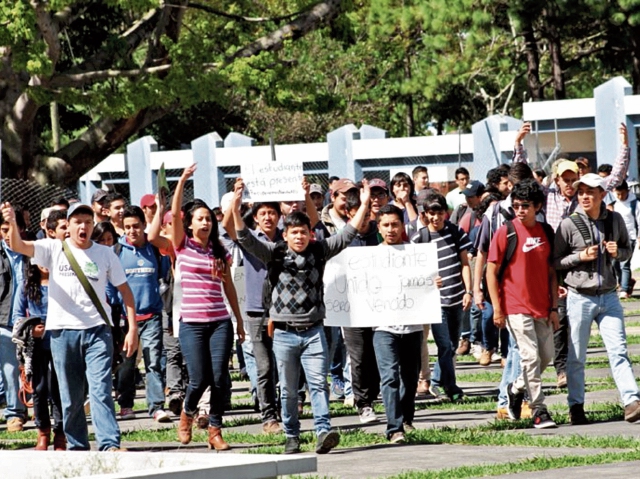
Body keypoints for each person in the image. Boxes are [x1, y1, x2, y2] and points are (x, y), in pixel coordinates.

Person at [232, 178, 372, 455]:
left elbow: (347, 234)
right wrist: (236, 206)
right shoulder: (273, 253)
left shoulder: (320, 250)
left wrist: (365, 202)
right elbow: (245, 238)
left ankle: (323, 431)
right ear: (285, 234)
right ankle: (292, 435)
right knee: (287, 390)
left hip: (313, 332)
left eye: (303, 232)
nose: (299, 237)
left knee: (319, 385)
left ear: (311, 233)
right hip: (283, 333)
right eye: (294, 232)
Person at [1, 201, 139, 451]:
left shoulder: (105, 253)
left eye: (88, 222)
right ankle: (77, 447)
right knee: (71, 396)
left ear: (93, 224)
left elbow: (126, 292)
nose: (83, 227)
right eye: (77, 222)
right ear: (69, 226)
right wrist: (11, 222)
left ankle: (109, 444)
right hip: (62, 333)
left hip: (98, 331)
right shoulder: (53, 249)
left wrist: (132, 329)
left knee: (100, 390)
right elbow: (17, 245)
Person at [554, 173, 640, 425]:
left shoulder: (615, 220)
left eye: (590, 192)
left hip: (609, 296)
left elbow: (627, 251)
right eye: (581, 192)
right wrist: (580, 257)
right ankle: (576, 406)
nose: (584, 196)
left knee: (619, 351)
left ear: (603, 194)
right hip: (579, 297)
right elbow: (556, 262)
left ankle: (632, 402)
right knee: (577, 356)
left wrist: (619, 251)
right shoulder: (568, 224)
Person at [171, 164, 245, 451]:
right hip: (191, 323)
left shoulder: (219, 250)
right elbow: (176, 210)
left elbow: (229, 287)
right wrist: (182, 182)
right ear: (189, 223)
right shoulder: (182, 245)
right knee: (199, 377)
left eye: (208, 220)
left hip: (220, 322)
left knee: (219, 379)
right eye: (199, 219)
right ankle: (187, 413)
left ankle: (215, 430)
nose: (205, 223)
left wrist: (238, 320)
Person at [485, 179, 559, 429]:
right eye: (516, 205)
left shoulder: (547, 232)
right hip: (515, 306)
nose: (520, 210)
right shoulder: (506, 232)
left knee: (545, 356)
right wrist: (497, 307)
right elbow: (491, 271)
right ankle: (539, 409)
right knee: (529, 357)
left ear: (538, 206)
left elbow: (551, 273)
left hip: (542, 306)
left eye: (525, 205)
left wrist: (554, 307)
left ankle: (515, 388)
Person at [408, 192, 471, 401]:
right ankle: (451, 387)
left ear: (446, 212)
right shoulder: (419, 238)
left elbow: (464, 264)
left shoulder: (456, 233)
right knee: (444, 345)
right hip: (435, 303)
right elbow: (412, 272)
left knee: (451, 346)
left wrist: (468, 291)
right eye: (431, 213)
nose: (435, 217)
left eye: (439, 212)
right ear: (425, 215)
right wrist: (428, 281)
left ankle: (436, 382)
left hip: (457, 298)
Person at [113, 206, 171, 423]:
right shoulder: (117, 252)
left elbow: (165, 275)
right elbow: (111, 286)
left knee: (153, 361)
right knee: (127, 364)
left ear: (144, 225)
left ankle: (156, 407)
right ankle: (126, 404)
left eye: (136, 226)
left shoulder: (154, 250)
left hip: (152, 316)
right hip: (126, 320)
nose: (131, 231)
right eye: (127, 227)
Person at [374, 204, 425, 444]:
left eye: (395, 224)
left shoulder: (416, 253)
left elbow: (426, 285)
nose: (391, 229)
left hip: (413, 327)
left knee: (410, 377)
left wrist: (432, 283)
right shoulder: (370, 257)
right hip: (383, 328)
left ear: (402, 226)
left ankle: (406, 419)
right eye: (386, 225)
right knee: (389, 377)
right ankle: (394, 428)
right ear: (379, 228)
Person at [13, 262, 66, 449]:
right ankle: (43, 431)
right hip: (35, 345)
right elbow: (16, 316)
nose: (46, 265)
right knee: (39, 388)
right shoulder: (26, 285)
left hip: (60, 339)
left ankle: (60, 433)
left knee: (59, 388)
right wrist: (31, 329)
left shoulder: (63, 283)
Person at [0, 213, 29, 433]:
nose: (8, 235)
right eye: (4, 230)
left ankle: (37, 406)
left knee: (37, 369)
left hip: (32, 318)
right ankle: (14, 413)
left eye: (12, 229)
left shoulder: (32, 251)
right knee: (10, 369)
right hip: (4, 319)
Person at [613, 181, 640, 298]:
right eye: (618, 194)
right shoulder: (614, 203)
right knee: (614, 263)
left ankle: (624, 289)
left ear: (627, 191)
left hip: (630, 237)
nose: (620, 197)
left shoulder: (635, 204)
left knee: (625, 263)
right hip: (616, 237)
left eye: (622, 194)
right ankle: (624, 283)